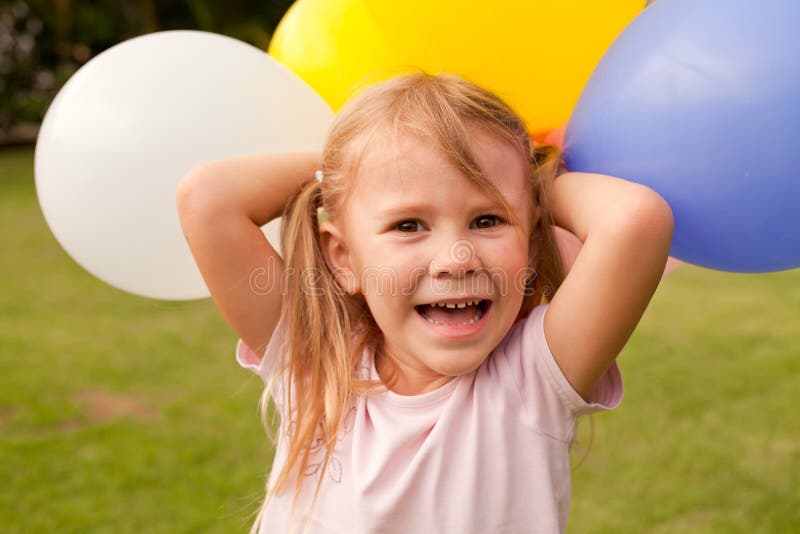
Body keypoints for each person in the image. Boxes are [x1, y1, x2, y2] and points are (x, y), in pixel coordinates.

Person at [176, 73, 674, 534]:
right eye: (409, 225)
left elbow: (634, 221)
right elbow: (207, 198)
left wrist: (534, 177)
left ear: (532, 242)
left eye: (488, 220)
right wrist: (353, 167)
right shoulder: (315, 364)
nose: (455, 261)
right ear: (344, 257)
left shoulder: (532, 378)